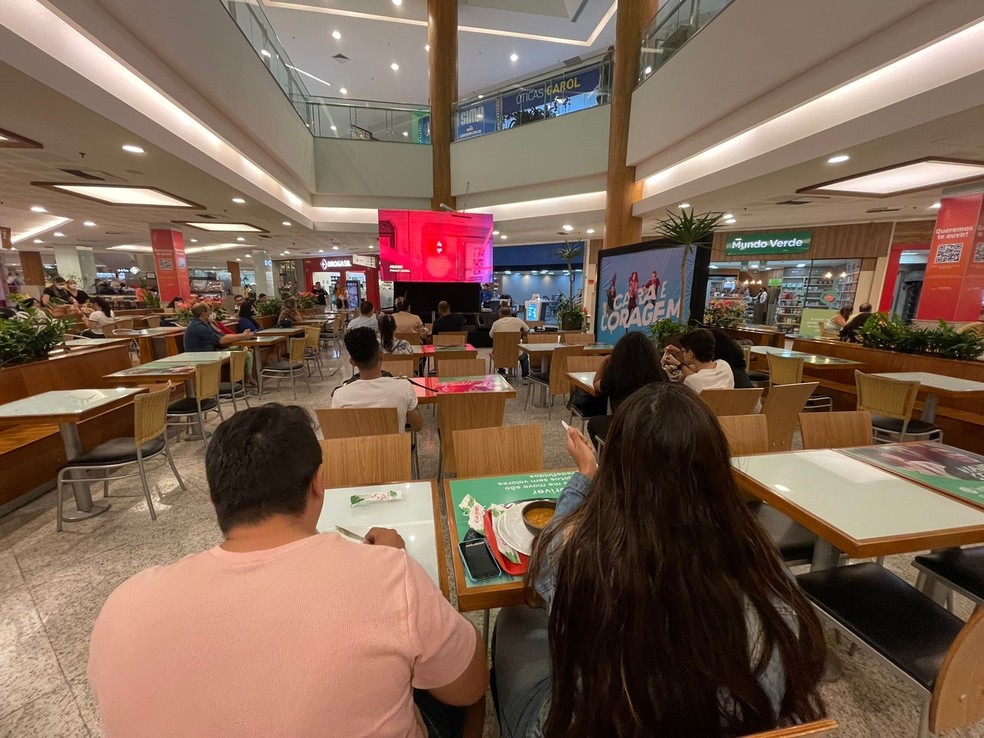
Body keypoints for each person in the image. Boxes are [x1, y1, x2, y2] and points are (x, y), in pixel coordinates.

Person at [88, 404, 487, 738]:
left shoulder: (124, 604)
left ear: (214, 500)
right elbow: (468, 687)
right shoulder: (388, 574)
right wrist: (395, 564)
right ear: (318, 483)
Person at [492, 384, 827, 738]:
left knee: (514, 619)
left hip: (586, 724)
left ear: (617, 473)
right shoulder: (762, 562)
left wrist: (583, 477)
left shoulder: (585, 561)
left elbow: (548, 560)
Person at [331, 328, 423, 432]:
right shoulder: (404, 387)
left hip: (358, 448)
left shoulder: (340, 395)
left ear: (352, 362)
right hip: (395, 448)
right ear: (381, 355)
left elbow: (339, 433)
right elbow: (417, 426)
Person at [585, 331, 667, 444]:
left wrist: (604, 361)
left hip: (625, 425)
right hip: (655, 426)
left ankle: (610, 458)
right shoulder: (660, 374)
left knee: (594, 424)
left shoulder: (616, 374)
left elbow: (597, 385)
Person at [667, 328, 735, 392]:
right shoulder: (724, 366)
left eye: (684, 351)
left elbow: (693, 378)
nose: (683, 353)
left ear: (690, 354)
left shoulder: (691, 381)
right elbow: (702, 376)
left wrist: (679, 365)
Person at [183, 302, 253, 352]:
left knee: (244, 351)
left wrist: (242, 335)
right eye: (209, 311)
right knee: (241, 353)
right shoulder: (198, 326)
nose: (211, 313)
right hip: (201, 357)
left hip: (209, 353)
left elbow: (222, 336)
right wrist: (243, 336)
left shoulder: (205, 324)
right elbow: (221, 340)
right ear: (204, 314)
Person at [489, 305, 530, 379]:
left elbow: (491, 335)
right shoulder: (518, 320)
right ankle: (525, 375)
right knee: (524, 357)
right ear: (510, 313)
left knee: (497, 354)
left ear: (500, 314)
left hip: (500, 353)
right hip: (516, 352)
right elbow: (527, 329)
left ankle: (502, 372)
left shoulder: (496, 323)